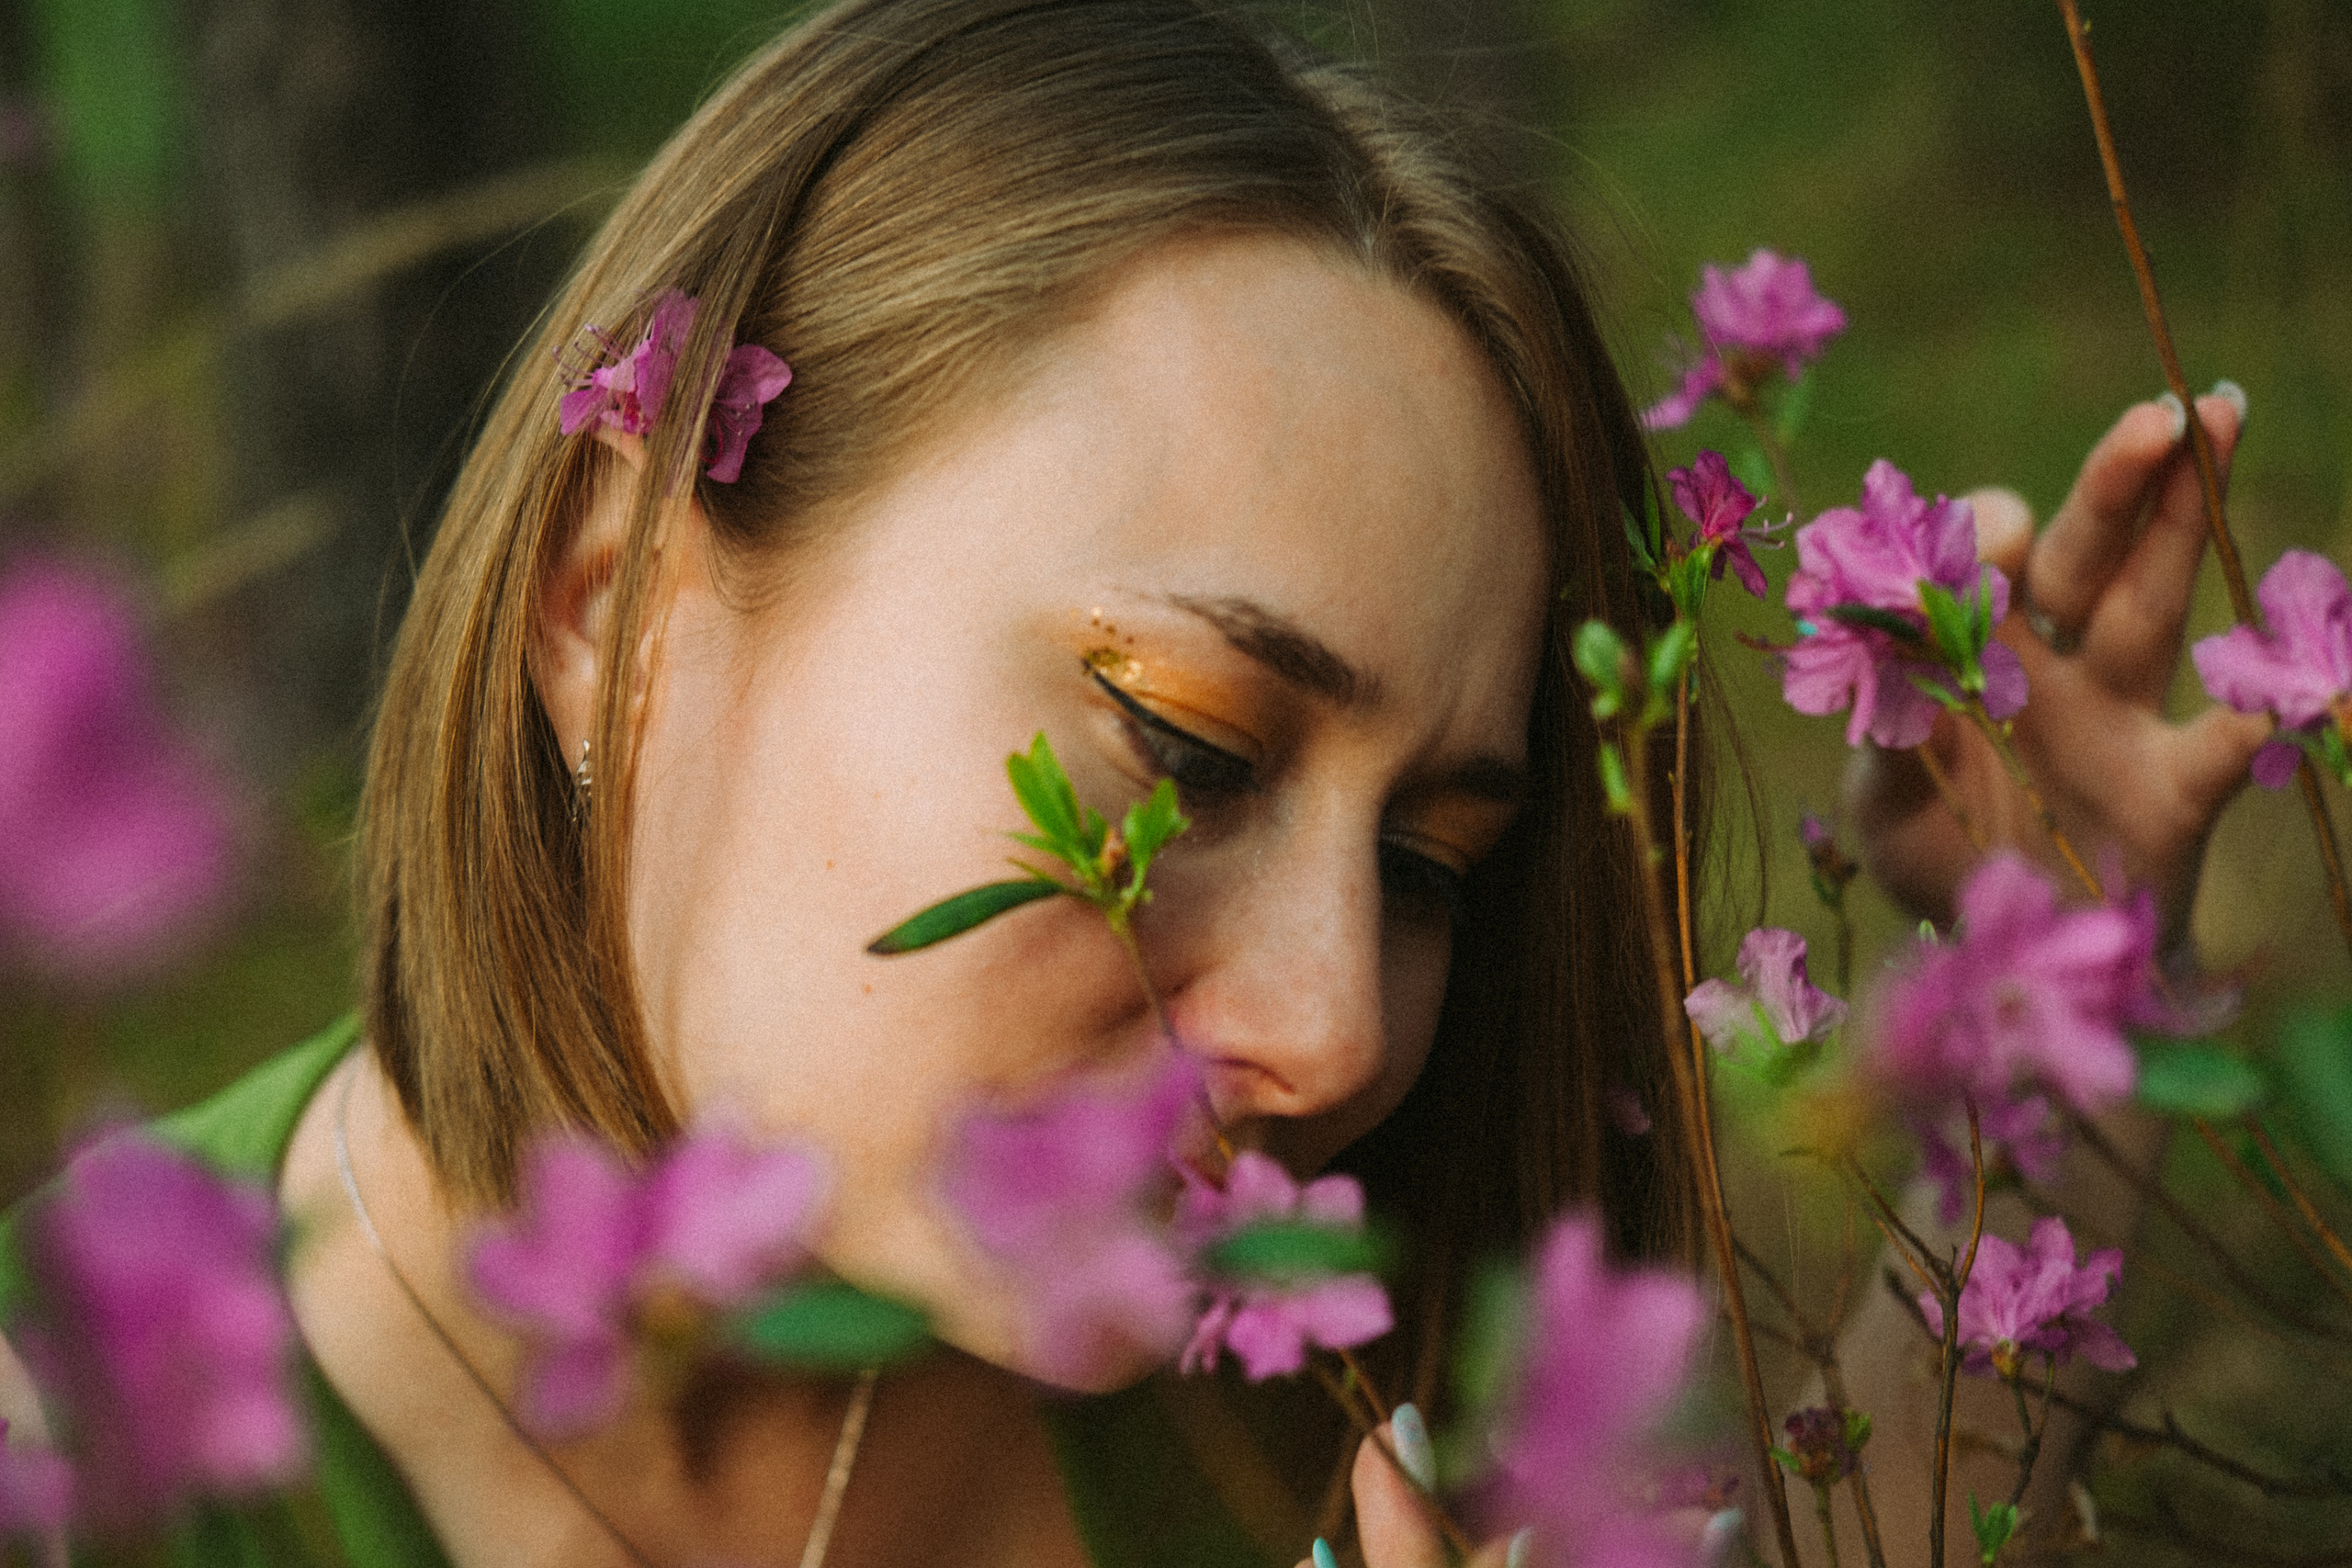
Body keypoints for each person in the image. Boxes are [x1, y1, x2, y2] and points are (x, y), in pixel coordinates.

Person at [0, 0, 2261, 1563]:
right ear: (615, 604)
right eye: (1182, 747)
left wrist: (2037, 1008)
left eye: (1432, 859)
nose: (1345, 1027)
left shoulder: (1299, 1378)